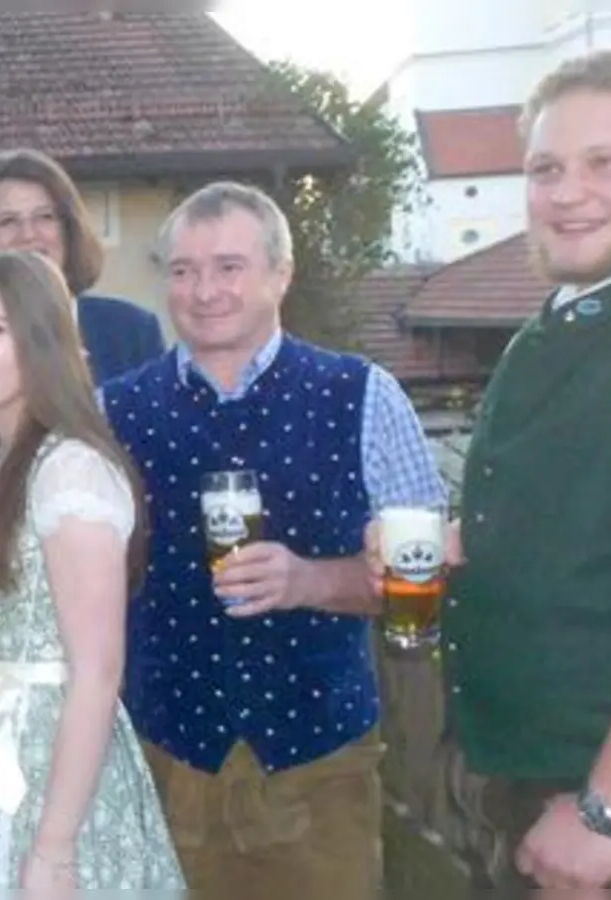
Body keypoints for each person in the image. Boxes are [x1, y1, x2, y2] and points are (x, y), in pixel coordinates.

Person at [372, 50, 611, 892]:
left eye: (605, 163)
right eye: (546, 169)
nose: (568, 193)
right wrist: (457, 543)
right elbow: (588, 524)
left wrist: (608, 812)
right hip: (530, 787)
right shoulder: (566, 323)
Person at [100, 181, 446, 899]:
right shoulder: (114, 411)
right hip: (167, 761)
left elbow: (425, 575)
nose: (204, 291)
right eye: (184, 270)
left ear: (281, 274)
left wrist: (311, 580)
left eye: (229, 267)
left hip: (320, 768)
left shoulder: (363, 395)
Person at [0, 249, 184, 890]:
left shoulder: (71, 470)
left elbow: (98, 671)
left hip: (46, 767)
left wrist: (55, 849)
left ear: (41, 341)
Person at [0, 147, 165, 527]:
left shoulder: (131, 332)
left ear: (69, 229)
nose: (29, 234)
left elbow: (156, 471)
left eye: (45, 217)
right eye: (8, 221)